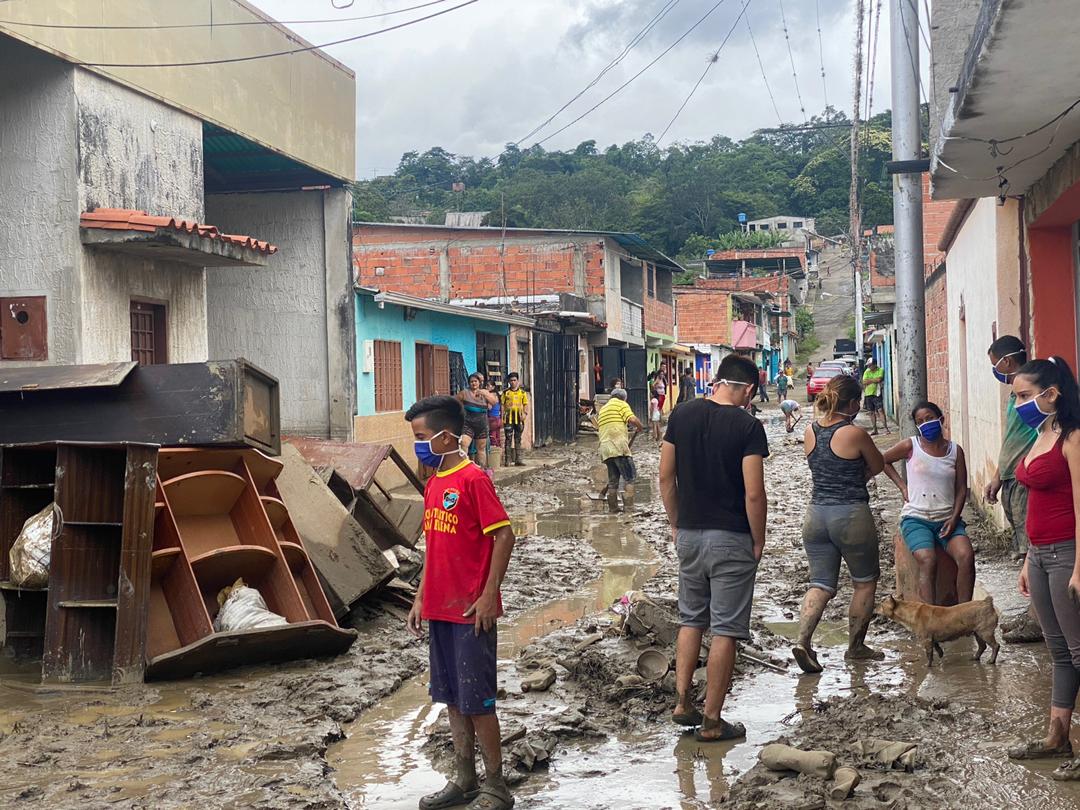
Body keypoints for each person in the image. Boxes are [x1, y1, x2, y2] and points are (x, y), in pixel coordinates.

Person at [404, 396, 516, 810]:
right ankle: (465, 778)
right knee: (451, 700)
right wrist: (420, 596)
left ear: (446, 436)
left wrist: (489, 595)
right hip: (439, 610)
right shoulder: (433, 483)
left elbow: (504, 535)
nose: (417, 446)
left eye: (421, 438)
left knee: (478, 701)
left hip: (472, 612)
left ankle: (497, 785)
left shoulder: (473, 480)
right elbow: (433, 546)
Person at [660, 354, 768, 742]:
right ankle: (712, 720)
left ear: (718, 380)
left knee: (691, 619)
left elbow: (665, 477)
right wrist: (759, 538)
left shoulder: (682, 415)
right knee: (725, 629)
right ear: (748, 389)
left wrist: (676, 523)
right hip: (732, 538)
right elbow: (754, 492)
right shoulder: (748, 426)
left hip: (689, 534)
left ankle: (682, 702)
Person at [1008, 357, 1080, 767]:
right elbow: (1036, 495)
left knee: (1078, 649)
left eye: (1023, 395)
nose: (1018, 403)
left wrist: (1079, 567)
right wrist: (1027, 560)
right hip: (1039, 555)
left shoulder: (1072, 437)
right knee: (1058, 650)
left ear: (1051, 394)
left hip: (1068, 552)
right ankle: (1057, 737)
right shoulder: (1041, 432)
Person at [792, 375, 886, 674]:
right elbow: (878, 465)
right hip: (850, 515)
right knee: (864, 581)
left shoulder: (810, 431)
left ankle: (803, 641)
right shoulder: (854, 433)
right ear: (855, 403)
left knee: (820, 583)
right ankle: (856, 647)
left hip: (816, 516)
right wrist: (859, 478)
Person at [883, 402, 973, 605]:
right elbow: (883, 460)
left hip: (947, 519)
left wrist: (954, 518)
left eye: (930, 418)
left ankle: (966, 613)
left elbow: (961, 488)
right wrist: (902, 486)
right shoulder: (911, 445)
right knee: (927, 560)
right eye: (920, 421)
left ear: (941, 419)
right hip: (916, 519)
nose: (926, 424)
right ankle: (930, 620)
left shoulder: (955, 451)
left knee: (966, 556)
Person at [984, 335, 1039, 561]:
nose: (995, 371)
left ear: (1006, 362)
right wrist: (998, 476)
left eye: (994, 364)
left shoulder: (1034, 390)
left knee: (1029, 545)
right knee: (1019, 537)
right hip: (1010, 474)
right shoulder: (1014, 394)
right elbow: (1011, 437)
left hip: (1023, 475)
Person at [597, 388, 644, 511]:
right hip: (618, 446)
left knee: (613, 481)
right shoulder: (622, 404)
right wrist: (640, 426)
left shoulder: (603, 409)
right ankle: (629, 508)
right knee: (630, 477)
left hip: (605, 449)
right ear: (624, 398)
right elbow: (632, 419)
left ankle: (613, 508)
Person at [457, 374, 498, 470]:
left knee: (481, 449)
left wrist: (485, 394)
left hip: (482, 425)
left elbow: (494, 402)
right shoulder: (464, 393)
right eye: (471, 381)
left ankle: (481, 470)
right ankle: (464, 468)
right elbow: (455, 402)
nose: (473, 383)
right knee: (464, 444)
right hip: (468, 424)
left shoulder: (485, 393)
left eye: (476, 381)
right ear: (469, 383)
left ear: (479, 383)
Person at [501, 373, 529, 468]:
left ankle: (518, 460)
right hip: (508, 419)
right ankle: (507, 460)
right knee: (508, 439)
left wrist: (525, 414)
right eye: (511, 380)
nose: (513, 382)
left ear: (518, 381)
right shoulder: (505, 393)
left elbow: (525, 404)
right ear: (509, 382)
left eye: (514, 380)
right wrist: (502, 417)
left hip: (519, 419)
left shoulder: (522, 393)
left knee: (518, 439)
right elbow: (502, 405)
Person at [861, 358, 890, 435]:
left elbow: (879, 379)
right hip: (868, 394)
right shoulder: (867, 371)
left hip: (877, 393)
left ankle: (886, 429)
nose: (869, 367)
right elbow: (864, 381)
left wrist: (869, 380)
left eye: (870, 365)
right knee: (871, 412)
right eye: (868, 365)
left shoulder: (880, 370)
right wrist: (874, 380)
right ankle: (875, 429)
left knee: (880, 410)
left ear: (874, 365)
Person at [486, 382, 503, 461]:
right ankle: (500, 458)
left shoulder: (491, 395)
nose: (486, 387)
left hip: (492, 418)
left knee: (492, 438)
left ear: (493, 387)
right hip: (498, 418)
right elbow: (501, 408)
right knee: (498, 438)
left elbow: (489, 408)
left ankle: (494, 458)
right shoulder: (498, 395)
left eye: (488, 385)